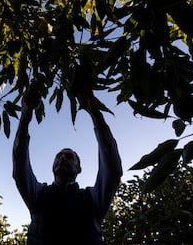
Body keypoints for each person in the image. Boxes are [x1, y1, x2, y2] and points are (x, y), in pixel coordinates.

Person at [12, 86, 123, 245]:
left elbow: (112, 171)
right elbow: (20, 169)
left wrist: (93, 109)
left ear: (79, 168)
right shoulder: (39, 195)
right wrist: (25, 116)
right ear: (53, 166)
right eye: (59, 156)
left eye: (70, 157)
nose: (63, 158)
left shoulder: (93, 198)